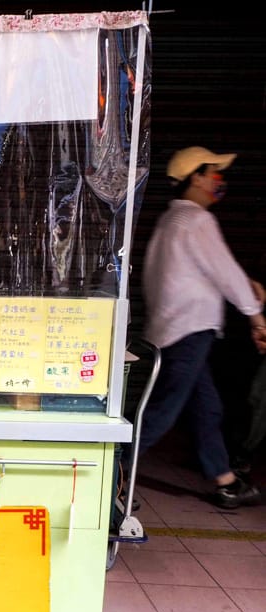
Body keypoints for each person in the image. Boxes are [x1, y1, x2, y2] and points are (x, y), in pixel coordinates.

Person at [132, 146, 266, 508]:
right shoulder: (196, 220)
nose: (219, 180)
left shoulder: (170, 221)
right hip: (188, 331)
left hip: (173, 330)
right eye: (214, 172)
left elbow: (202, 271)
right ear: (196, 178)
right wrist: (255, 315)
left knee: (207, 407)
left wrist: (246, 287)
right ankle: (114, 475)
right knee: (162, 412)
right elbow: (225, 272)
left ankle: (226, 481)